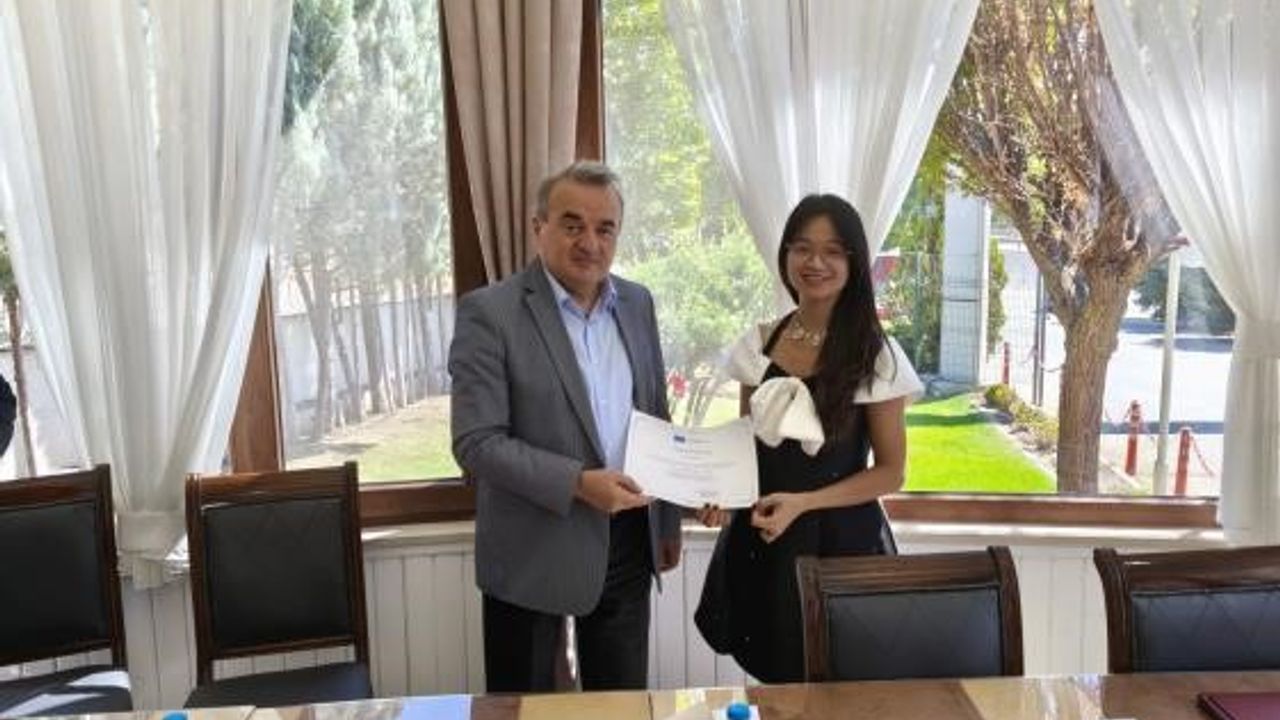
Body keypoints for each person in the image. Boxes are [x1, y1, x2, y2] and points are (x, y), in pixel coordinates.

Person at [449, 161, 682, 693]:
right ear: (539, 227)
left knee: (620, 705)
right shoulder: (489, 312)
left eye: (605, 228)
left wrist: (668, 521)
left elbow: (655, 413)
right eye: (572, 225)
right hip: (531, 549)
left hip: (627, 541)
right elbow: (476, 442)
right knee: (525, 708)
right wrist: (578, 483)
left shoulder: (638, 303)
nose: (590, 243)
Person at [693, 194, 923, 683]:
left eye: (832, 251)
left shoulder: (876, 355)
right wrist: (721, 497)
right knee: (775, 684)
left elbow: (890, 473)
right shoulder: (759, 344)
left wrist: (804, 503)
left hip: (843, 544)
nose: (815, 262)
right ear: (785, 255)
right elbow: (746, 451)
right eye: (802, 247)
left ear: (854, 263)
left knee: (841, 687)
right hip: (765, 540)